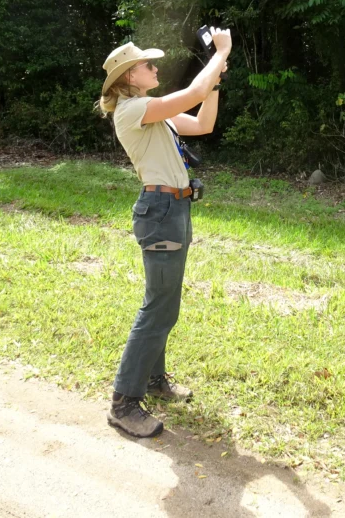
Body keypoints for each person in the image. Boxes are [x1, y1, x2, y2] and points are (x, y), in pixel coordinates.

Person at [97, 28, 231, 437]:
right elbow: (190, 93)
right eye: (147, 65)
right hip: (160, 210)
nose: (155, 68)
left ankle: (154, 382)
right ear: (127, 77)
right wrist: (220, 52)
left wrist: (214, 82)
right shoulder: (132, 111)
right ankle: (123, 402)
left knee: (165, 303)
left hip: (174, 208)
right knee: (158, 307)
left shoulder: (152, 110)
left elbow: (203, 121)